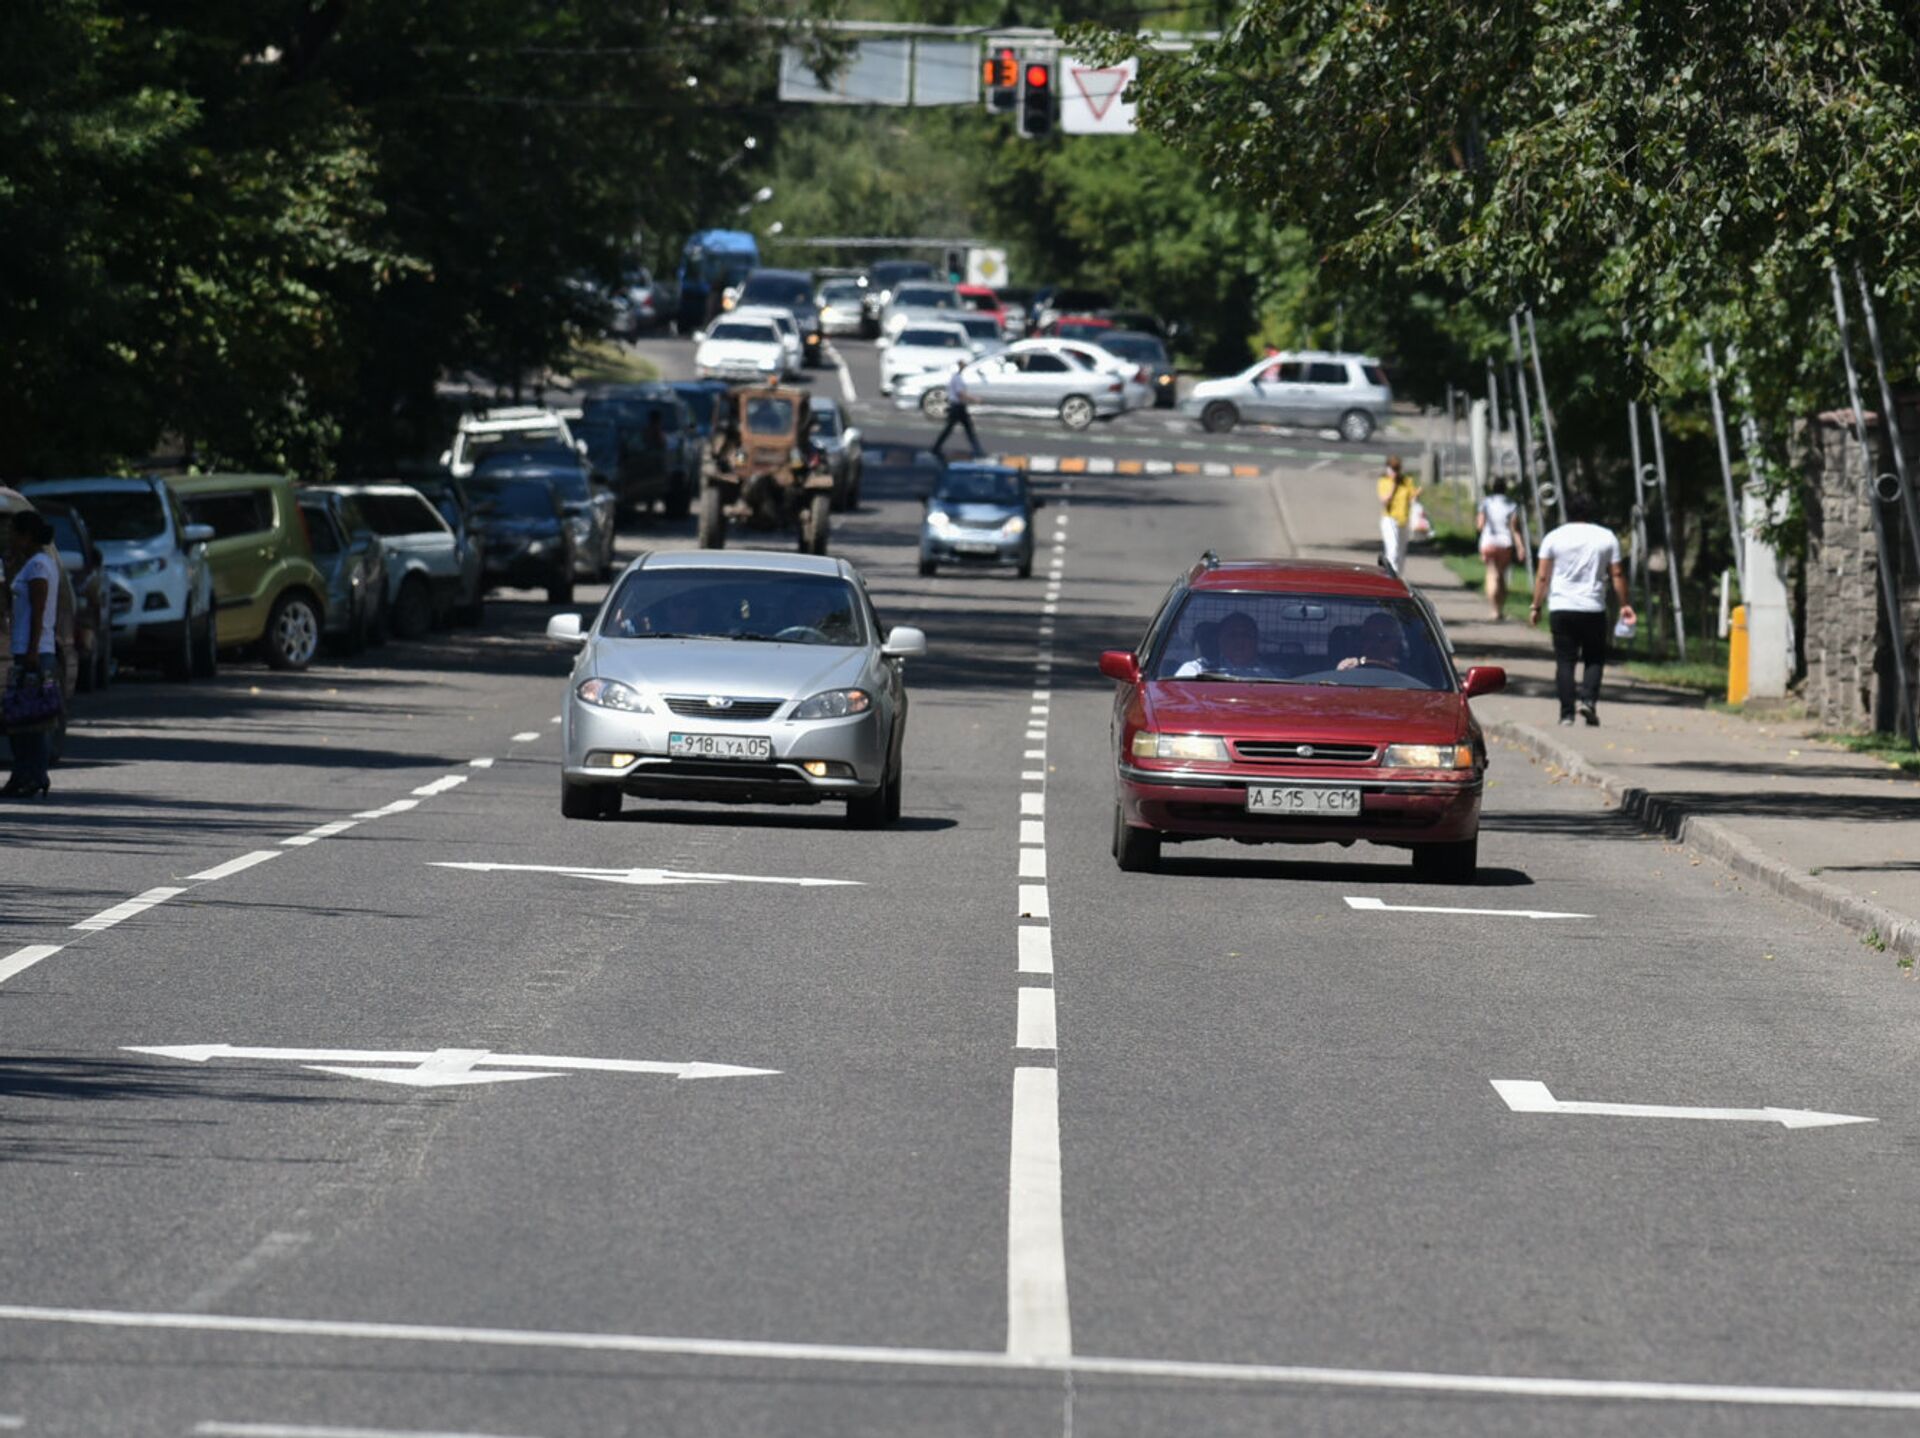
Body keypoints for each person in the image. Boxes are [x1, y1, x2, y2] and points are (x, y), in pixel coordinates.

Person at [1530, 494, 1634, 726]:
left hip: (1561, 606)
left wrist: (1536, 605)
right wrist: (1625, 604)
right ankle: (1588, 701)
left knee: (1565, 661)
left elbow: (1543, 576)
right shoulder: (1606, 537)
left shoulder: (1554, 537)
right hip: (1593, 607)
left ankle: (1566, 714)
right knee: (1594, 658)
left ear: (1568, 512)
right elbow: (1617, 574)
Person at [4, 513, 60, 797]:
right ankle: (22, 774)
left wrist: (33, 651)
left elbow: (38, 612)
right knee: (19, 718)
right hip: (24, 649)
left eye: (13, 533)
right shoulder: (29, 565)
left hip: (34, 651)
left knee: (33, 720)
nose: (9, 538)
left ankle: (35, 775)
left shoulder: (39, 566)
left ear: (26, 536)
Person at [1174, 611, 1282, 678]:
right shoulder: (1195, 670)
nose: (1239, 641)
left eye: (1246, 635)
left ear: (1256, 641)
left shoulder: (1275, 676)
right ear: (1220, 640)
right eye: (1232, 635)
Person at [1475, 476, 1526, 620]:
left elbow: (1480, 525)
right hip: (1505, 543)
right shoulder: (1511, 504)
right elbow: (1515, 529)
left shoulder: (1486, 503)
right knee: (1501, 576)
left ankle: (1494, 610)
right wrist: (1520, 547)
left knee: (1492, 573)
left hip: (1488, 542)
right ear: (1505, 489)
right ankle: (1500, 609)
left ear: (1492, 488)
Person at [931, 360, 983, 461]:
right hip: (957, 407)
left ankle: (936, 447)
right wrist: (974, 399)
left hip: (958, 406)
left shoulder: (956, 377)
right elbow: (960, 394)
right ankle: (977, 450)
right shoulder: (957, 378)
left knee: (963, 429)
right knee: (963, 429)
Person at [1377, 456, 1419, 575]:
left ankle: (1397, 577)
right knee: (1393, 551)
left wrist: (1417, 494)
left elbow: (1412, 497)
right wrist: (1393, 487)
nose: (1395, 472)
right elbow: (1384, 501)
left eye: (1397, 469)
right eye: (1392, 469)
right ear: (1388, 469)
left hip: (1404, 520)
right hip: (1390, 519)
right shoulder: (1384, 481)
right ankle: (1390, 576)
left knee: (1401, 554)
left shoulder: (1406, 481)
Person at [1337, 611, 1407, 672]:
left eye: (1382, 638)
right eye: (1367, 637)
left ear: (1396, 642)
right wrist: (1342, 670)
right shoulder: (1353, 665)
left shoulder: (1408, 671)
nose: (1373, 644)